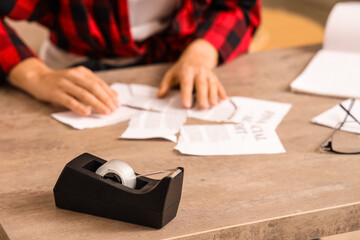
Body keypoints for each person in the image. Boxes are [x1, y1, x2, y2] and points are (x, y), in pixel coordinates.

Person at [0, 0, 260, 116]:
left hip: (174, 65)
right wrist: (35, 74)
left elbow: (236, 7)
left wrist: (202, 52)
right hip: (70, 71)